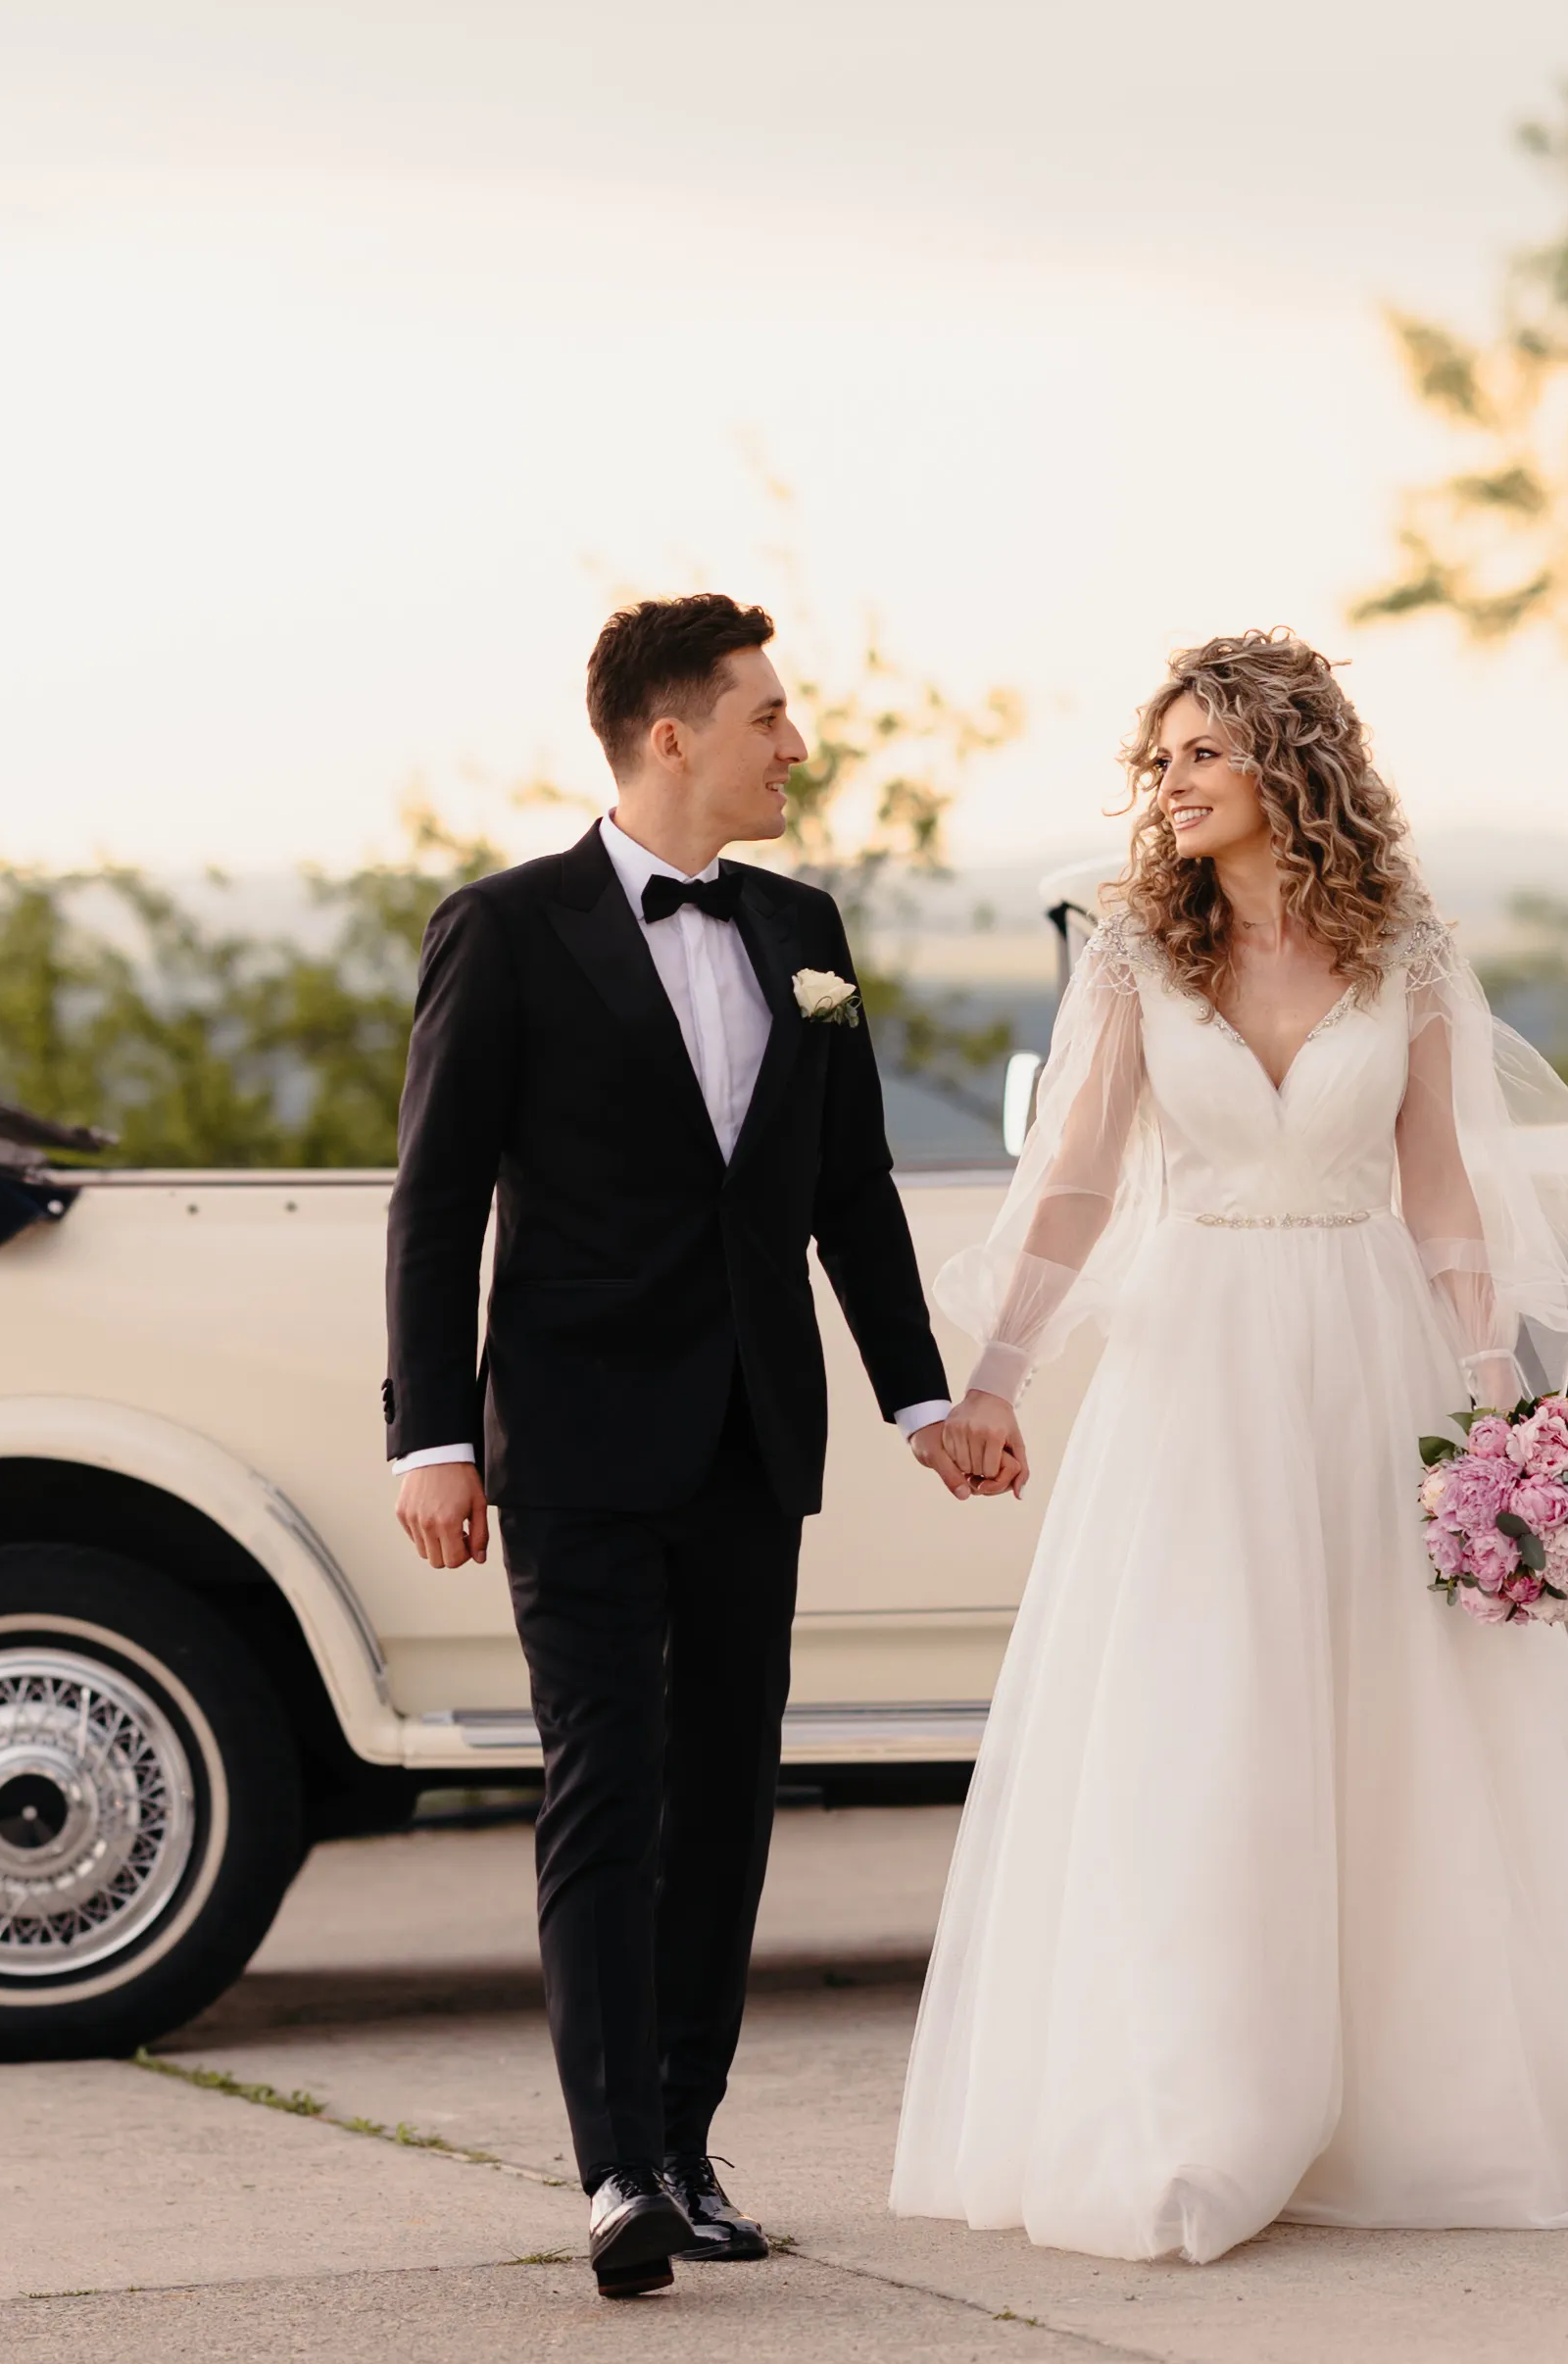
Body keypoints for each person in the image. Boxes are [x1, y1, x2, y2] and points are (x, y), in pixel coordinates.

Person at [895, 629, 1568, 2262]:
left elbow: (1441, 1184)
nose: (1172, 784)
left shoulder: (1403, 948)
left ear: (1288, 765)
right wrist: (995, 1375)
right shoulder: (1135, 951)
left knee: (1393, 1719)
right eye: (1161, 760)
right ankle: (1196, 2113)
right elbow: (1076, 1180)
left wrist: (1493, 1402)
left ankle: (1412, 2110)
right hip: (1196, 1363)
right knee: (1201, 1712)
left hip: (1370, 1351)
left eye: (1202, 753)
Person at [385, 594, 1025, 2300]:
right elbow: (435, 1204)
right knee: (606, 1786)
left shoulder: (802, 927)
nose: (795, 747)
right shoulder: (503, 929)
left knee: (728, 1795)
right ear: (670, 735)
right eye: (767, 717)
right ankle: (613, 2174)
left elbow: (847, 1192)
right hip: (572, 1438)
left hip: (752, 1430)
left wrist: (919, 1400)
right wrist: (430, 1438)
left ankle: (683, 2144)